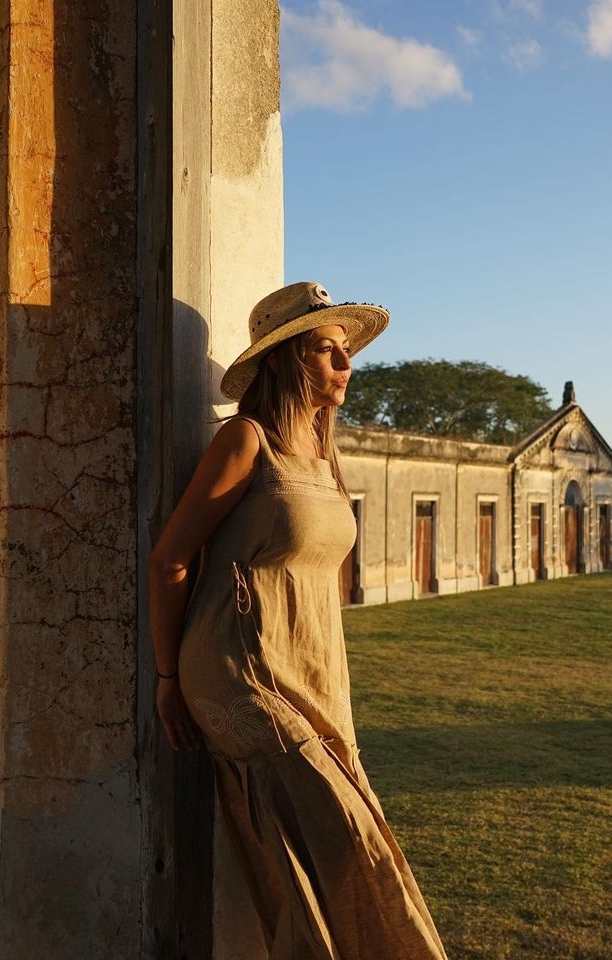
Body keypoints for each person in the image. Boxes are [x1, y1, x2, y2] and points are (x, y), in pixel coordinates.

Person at [149, 281, 447, 959]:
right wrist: (168, 676)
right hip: (239, 674)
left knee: (323, 869)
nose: (347, 366)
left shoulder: (324, 454)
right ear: (287, 359)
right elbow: (169, 559)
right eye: (328, 350)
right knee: (348, 843)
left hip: (312, 669)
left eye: (346, 353)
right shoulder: (245, 442)